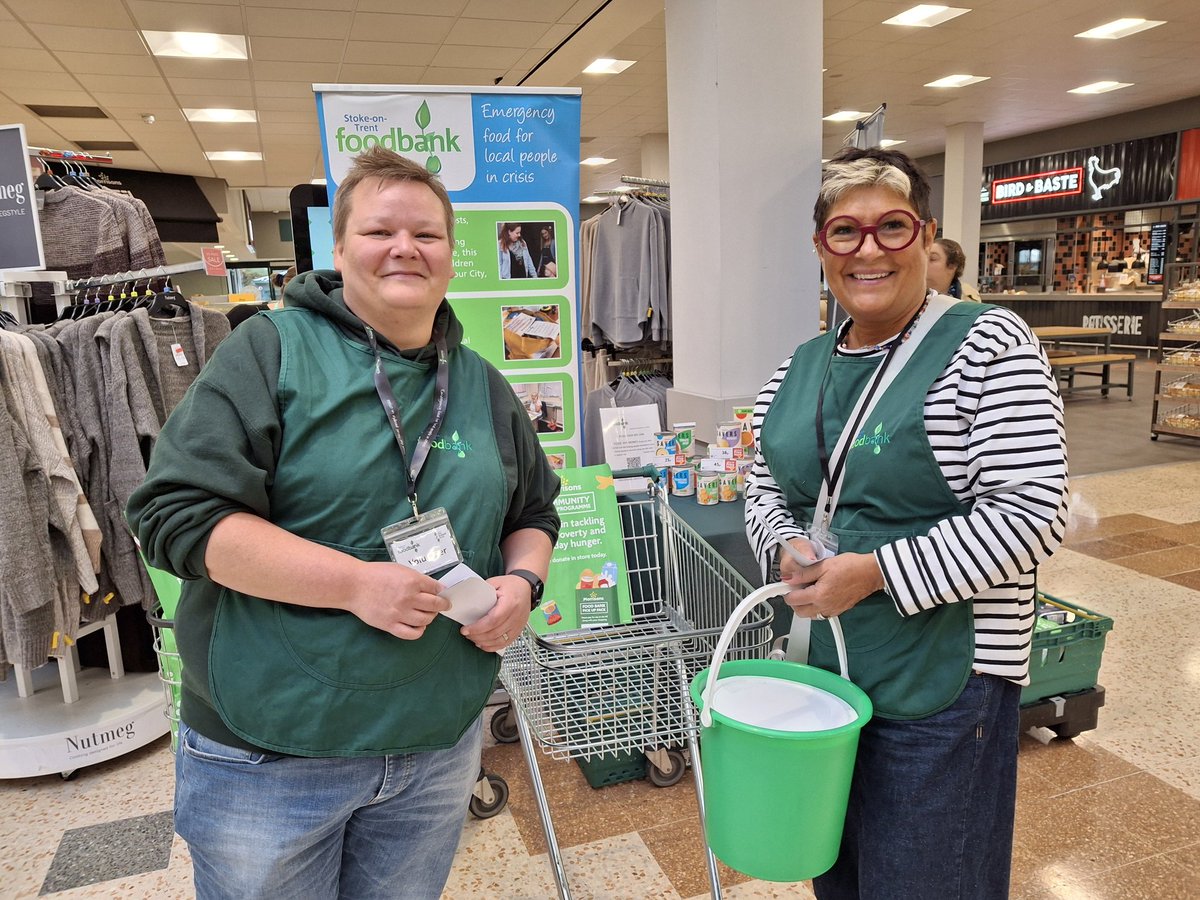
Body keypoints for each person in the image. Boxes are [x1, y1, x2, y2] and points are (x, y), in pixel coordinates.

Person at [127, 146, 561, 900]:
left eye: (426, 234)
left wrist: (523, 582)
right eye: (380, 231)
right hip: (270, 753)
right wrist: (353, 584)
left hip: (434, 745)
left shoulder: (483, 384)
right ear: (339, 247)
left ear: (450, 254)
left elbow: (534, 513)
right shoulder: (270, 351)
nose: (405, 249)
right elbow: (174, 515)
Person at [744, 146, 1068, 899]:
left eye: (891, 228)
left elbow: (1033, 513)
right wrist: (785, 544)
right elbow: (763, 482)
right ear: (821, 248)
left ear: (925, 236)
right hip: (829, 674)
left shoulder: (988, 344)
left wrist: (878, 571)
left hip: (945, 689)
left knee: (927, 878)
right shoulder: (801, 362)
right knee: (841, 872)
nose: (869, 250)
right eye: (844, 233)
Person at [927, 236, 982, 300]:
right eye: (923, 258)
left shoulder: (969, 299)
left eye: (932, 259)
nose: (924, 262)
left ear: (952, 265)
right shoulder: (913, 293)